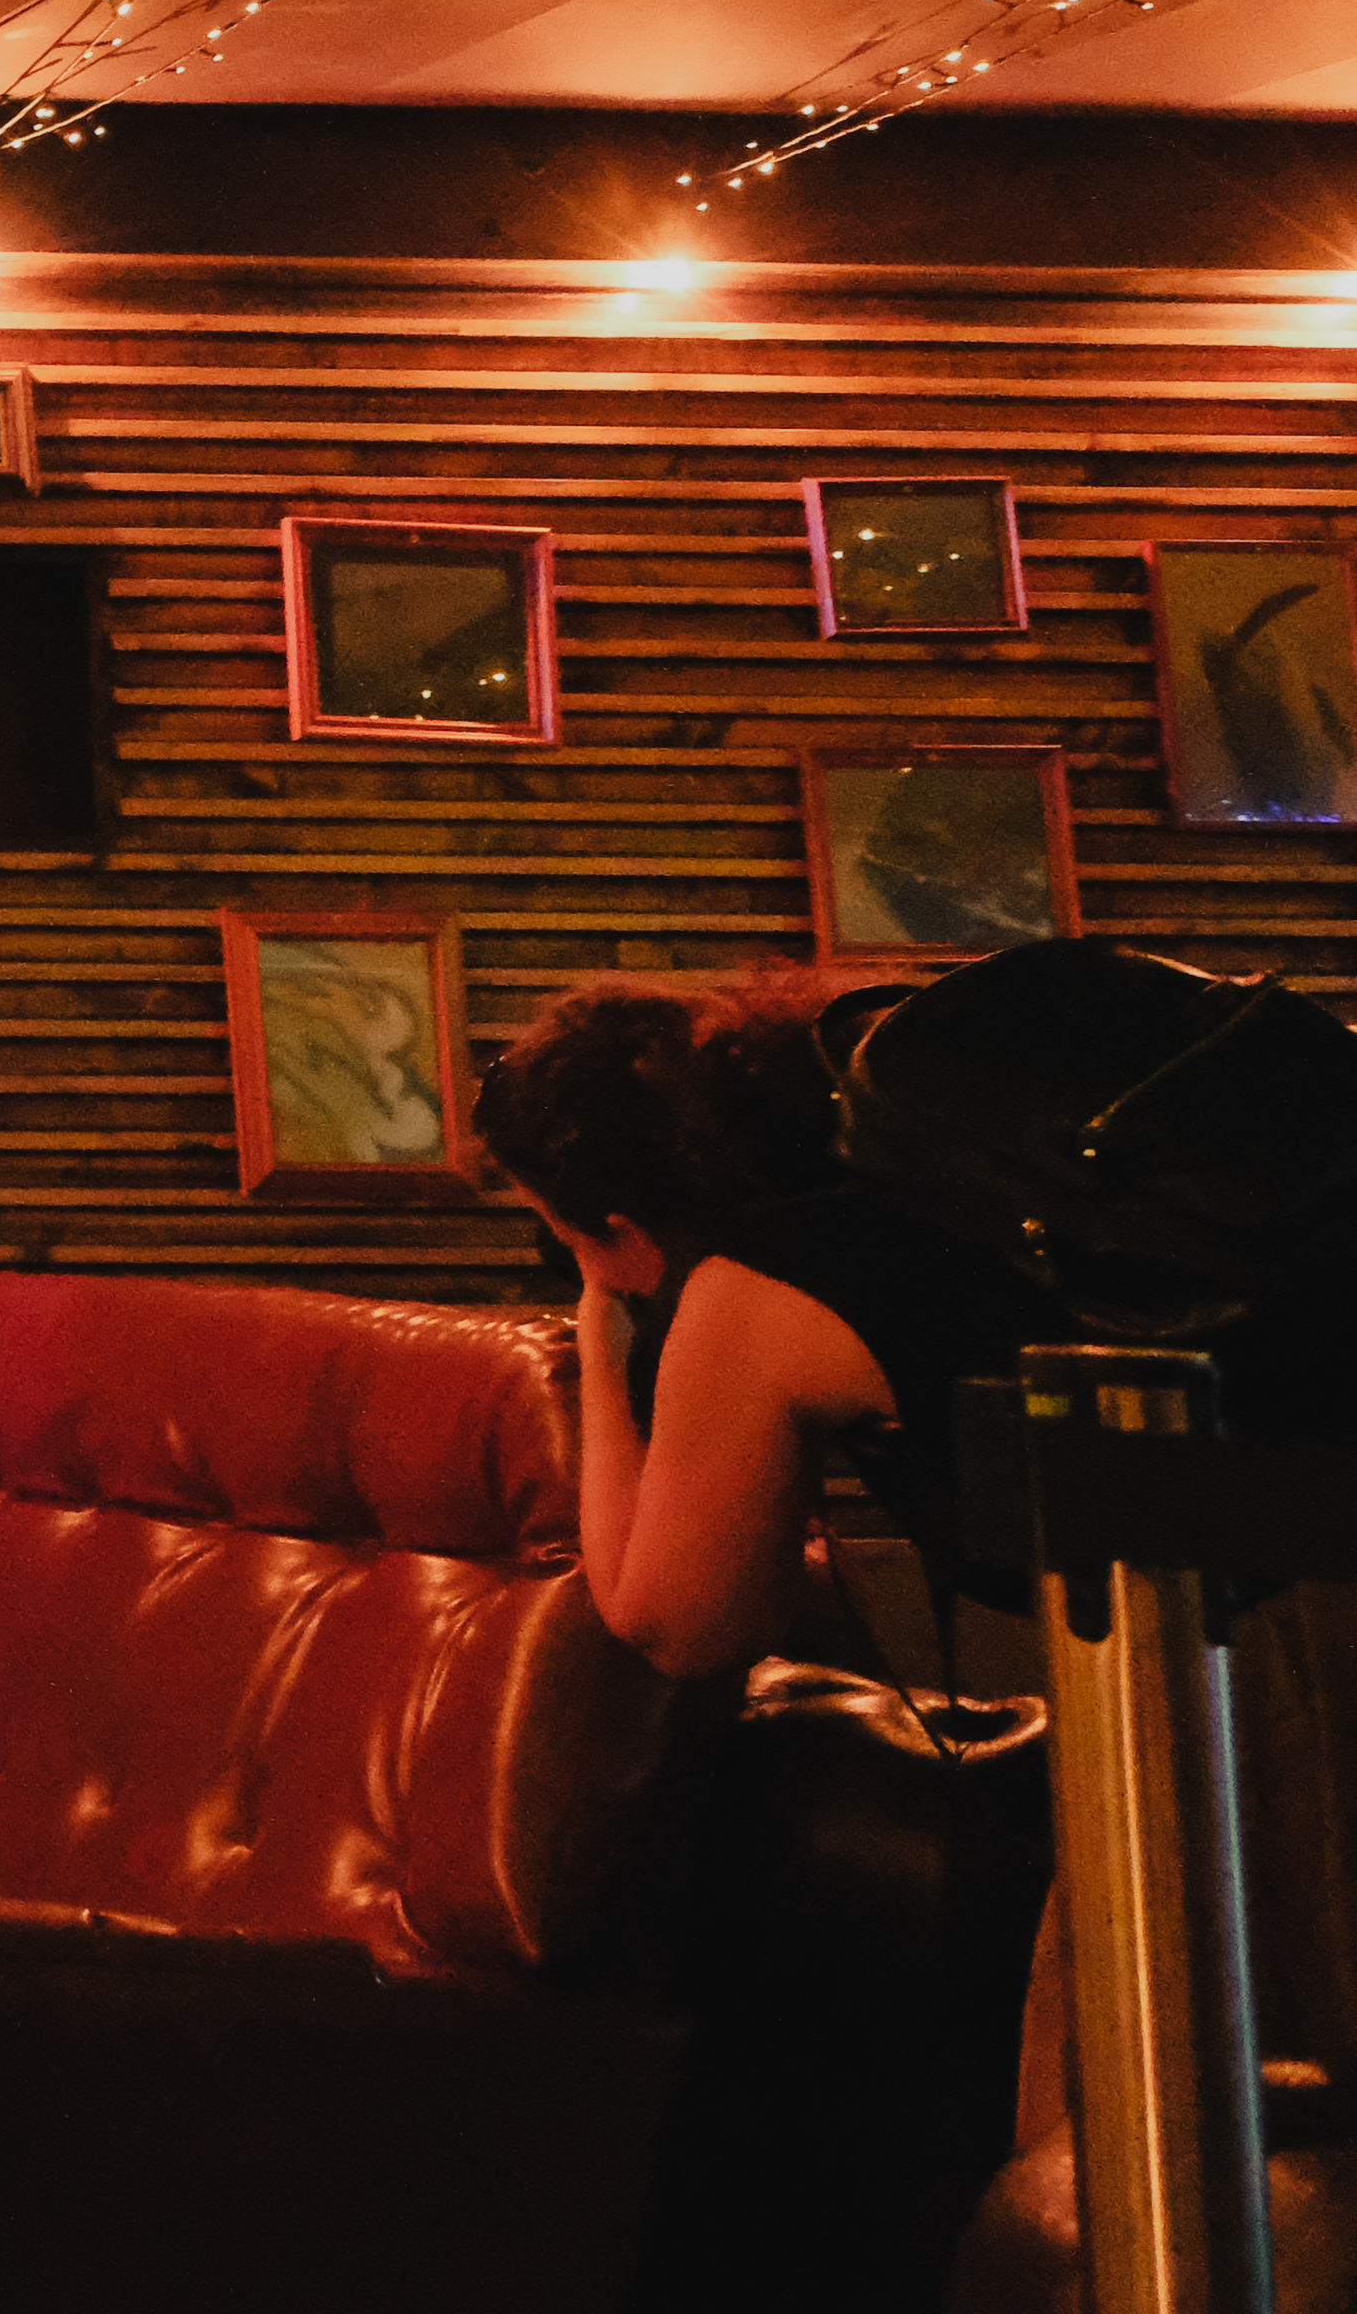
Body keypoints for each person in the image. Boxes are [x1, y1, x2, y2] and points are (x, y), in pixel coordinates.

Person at [476, 965, 1357, 2267]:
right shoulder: (941, 1198)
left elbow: (671, 1617)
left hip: (1244, 1676)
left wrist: (603, 1347)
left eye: (569, 1235)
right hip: (1263, 1599)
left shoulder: (755, 1288)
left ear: (617, 1220)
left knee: (1153, 2168)